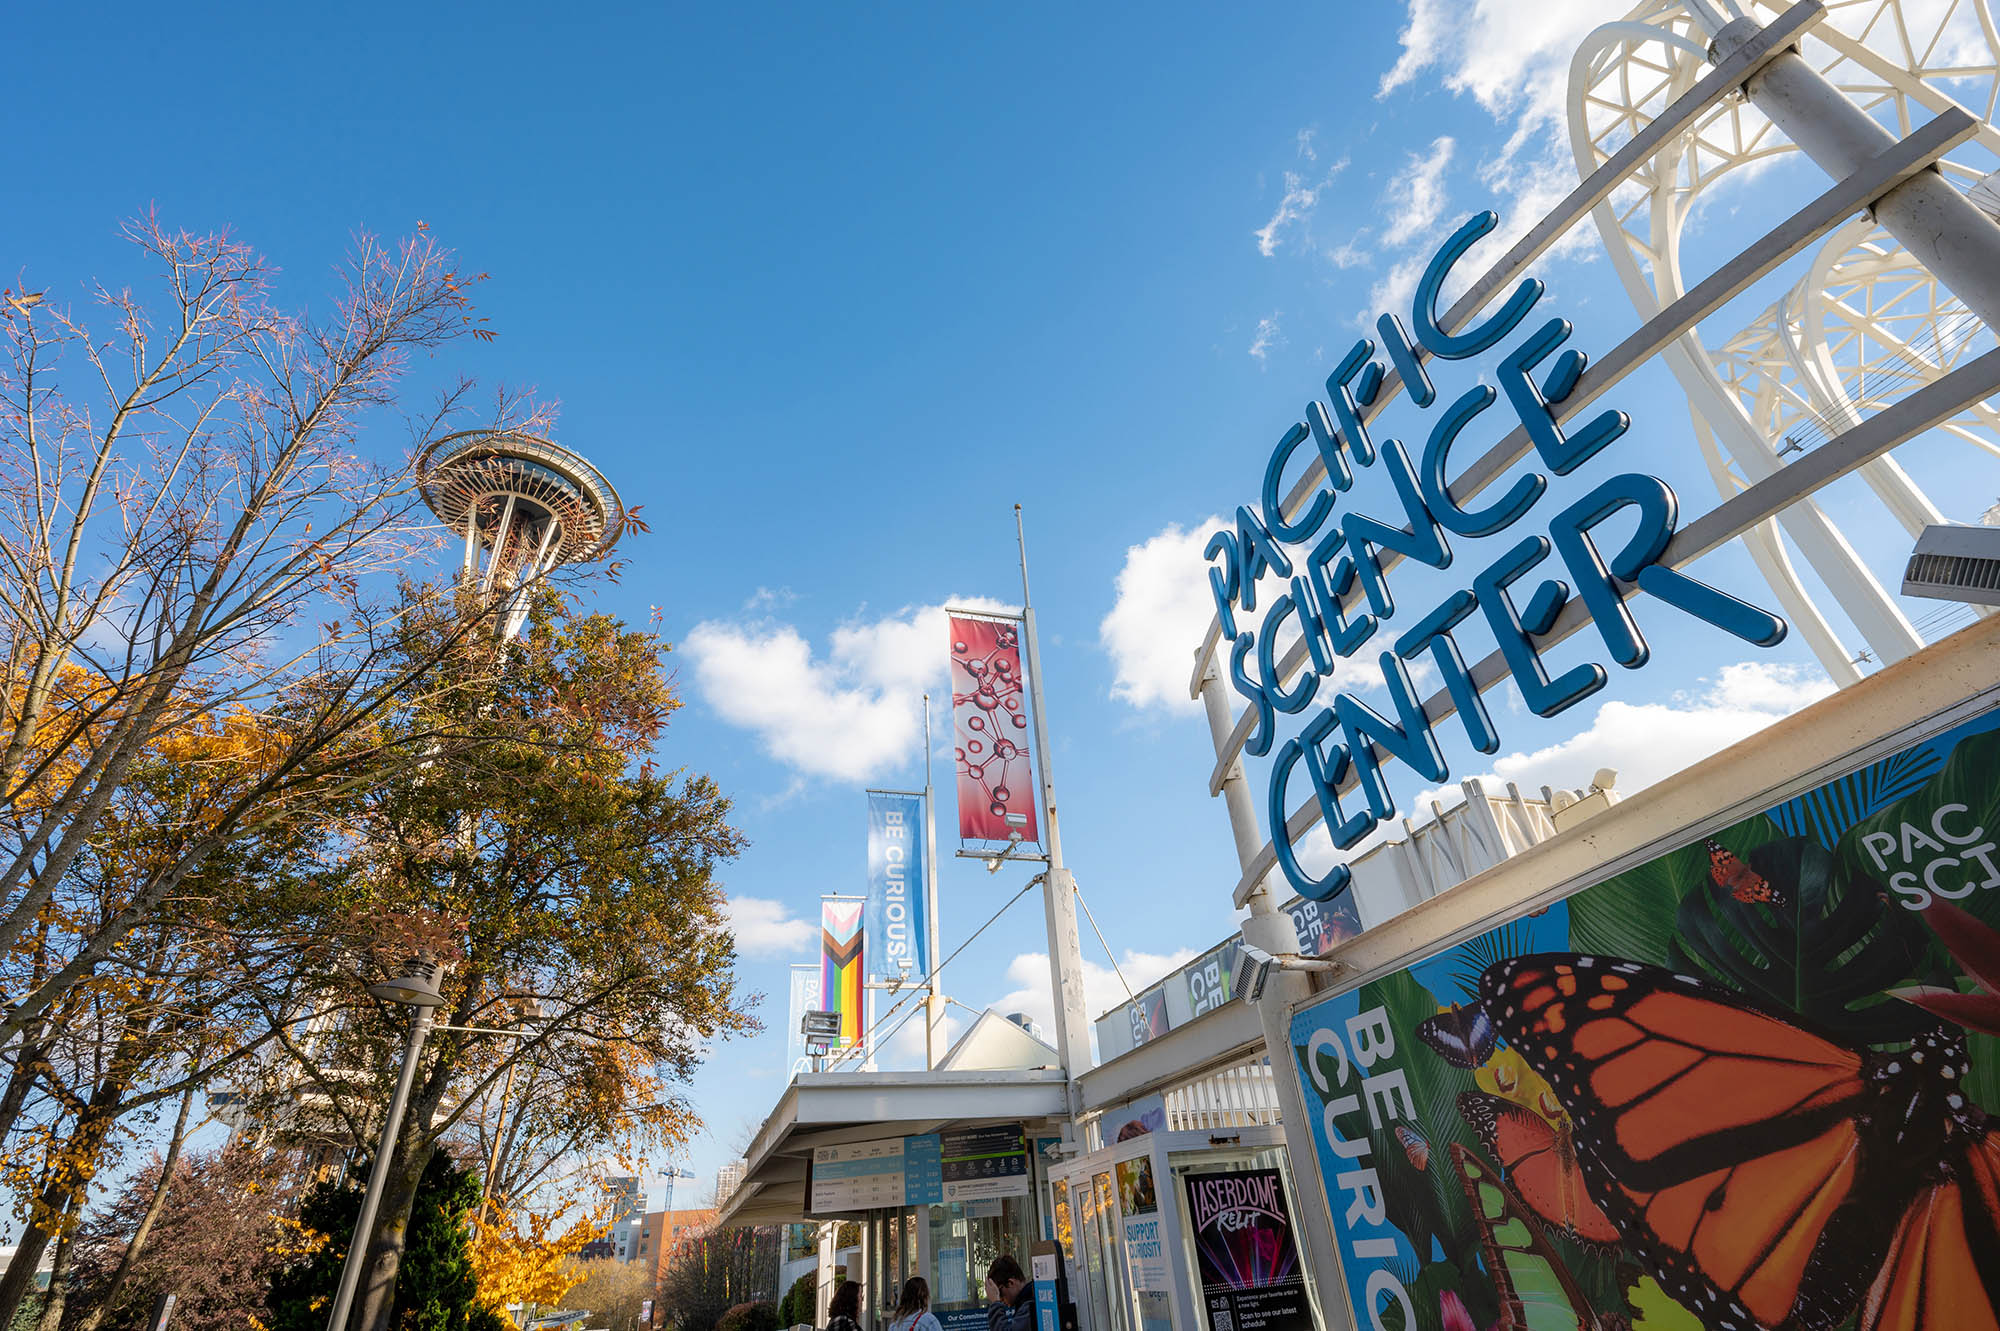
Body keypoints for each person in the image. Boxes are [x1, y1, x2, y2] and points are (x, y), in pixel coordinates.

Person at [983, 1255, 1034, 1331]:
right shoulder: (1026, 1300)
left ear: (1010, 1283)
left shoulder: (1030, 1304)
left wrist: (995, 1303)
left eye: (1000, 1294)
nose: (1001, 1300)